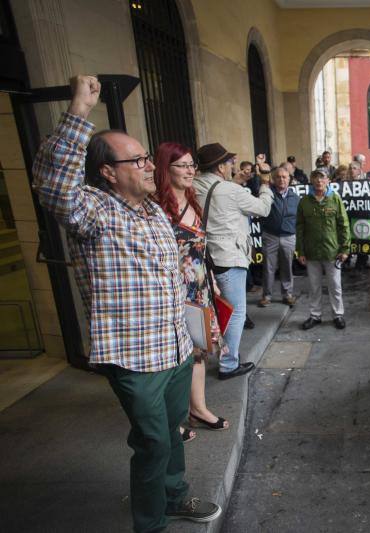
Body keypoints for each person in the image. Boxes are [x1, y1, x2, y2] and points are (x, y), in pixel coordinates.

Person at [32, 75, 220, 530]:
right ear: (108, 172)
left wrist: (197, 320)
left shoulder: (154, 211)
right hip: (134, 357)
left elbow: (168, 274)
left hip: (174, 347)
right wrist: (78, 113)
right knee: (154, 440)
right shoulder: (94, 211)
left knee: (173, 434)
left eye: (144, 155)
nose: (146, 163)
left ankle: (175, 496)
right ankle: (150, 522)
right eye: (135, 159)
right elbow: (52, 185)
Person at [153, 141, 231, 439]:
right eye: (182, 166)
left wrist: (210, 282)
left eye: (191, 165)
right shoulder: (155, 207)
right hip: (171, 292)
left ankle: (197, 408)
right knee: (173, 357)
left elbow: (199, 248)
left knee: (199, 351)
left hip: (199, 287)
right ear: (165, 168)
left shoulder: (192, 197)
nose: (190, 170)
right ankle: (173, 420)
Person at [194, 143, 274, 380]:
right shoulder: (230, 190)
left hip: (206, 258)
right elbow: (263, 209)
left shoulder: (196, 184)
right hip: (230, 257)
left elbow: (218, 194)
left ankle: (218, 354)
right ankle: (229, 364)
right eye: (229, 163)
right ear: (220, 166)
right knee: (236, 313)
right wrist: (266, 184)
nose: (232, 167)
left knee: (218, 311)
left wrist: (234, 182)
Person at [296, 169, 351, 329]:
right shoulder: (305, 201)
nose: (319, 181)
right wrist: (300, 251)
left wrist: (345, 248)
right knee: (314, 286)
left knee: (335, 285)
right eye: (316, 177)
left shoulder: (335, 199)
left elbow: (344, 224)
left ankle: (338, 315)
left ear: (328, 181)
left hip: (332, 252)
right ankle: (315, 316)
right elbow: (299, 227)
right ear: (311, 180)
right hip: (312, 252)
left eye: (322, 177)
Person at [259, 164, 300, 307]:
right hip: (270, 235)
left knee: (287, 266)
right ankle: (267, 295)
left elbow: (299, 219)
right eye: (278, 177)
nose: (281, 179)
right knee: (268, 267)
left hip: (289, 237)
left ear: (289, 179)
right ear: (273, 179)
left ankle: (287, 294)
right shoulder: (267, 194)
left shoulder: (295, 198)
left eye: (284, 177)